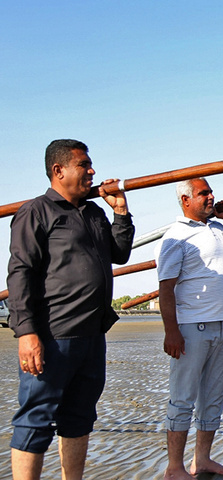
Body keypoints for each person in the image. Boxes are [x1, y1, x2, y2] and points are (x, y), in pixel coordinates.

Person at [7, 139, 134, 480]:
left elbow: (119, 253)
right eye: (84, 165)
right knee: (35, 419)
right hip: (52, 335)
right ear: (58, 170)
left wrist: (120, 211)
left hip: (92, 334)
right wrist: (26, 333)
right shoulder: (36, 212)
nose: (92, 171)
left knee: (79, 417)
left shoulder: (93, 212)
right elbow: (20, 273)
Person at [156, 178, 223, 479]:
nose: (211, 197)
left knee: (213, 397)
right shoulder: (177, 236)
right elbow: (166, 288)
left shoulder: (220, 230)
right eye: (204, 194)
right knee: (183, 398)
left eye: (211, 192)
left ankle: (203, 459)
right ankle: (175, 467)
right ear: (186, 200)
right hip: (191, 327)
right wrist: (171, 331)